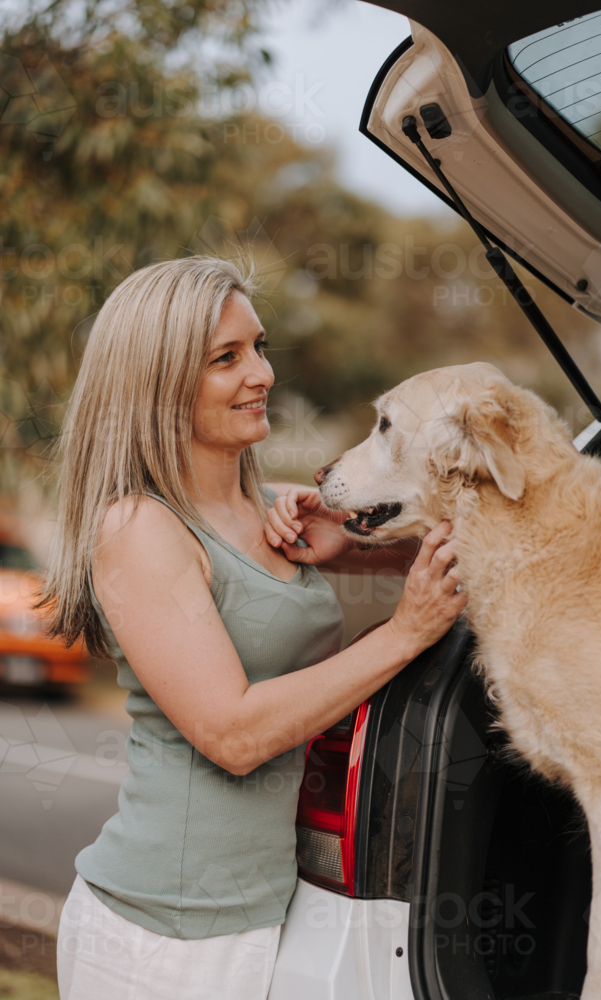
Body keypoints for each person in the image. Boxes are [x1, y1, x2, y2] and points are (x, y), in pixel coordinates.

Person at [41, 256, 466, 1000]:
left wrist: (360, 542)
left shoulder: (267, 512)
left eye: (259, 347)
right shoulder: (139, 527)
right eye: (226, 358)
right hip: (158, 938)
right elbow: (232, 735)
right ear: (159, 383)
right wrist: (404, 634)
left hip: (265, 914)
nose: (261, 374)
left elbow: (449, 565)